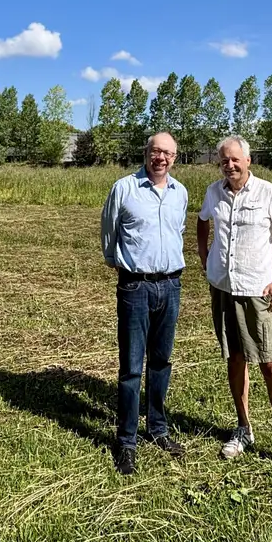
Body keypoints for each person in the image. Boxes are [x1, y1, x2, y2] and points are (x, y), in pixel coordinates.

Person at [197, 134, 272, 497]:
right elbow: (203, 224)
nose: (230, 166)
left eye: (235, 160)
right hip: (223, 288)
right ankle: (243, 428)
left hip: (257, 292)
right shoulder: (212, 193)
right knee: (235, 359)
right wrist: (205, 257)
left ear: (249, 161)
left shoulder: (269, 192)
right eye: (224, 161)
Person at [99, 131, 190, 475]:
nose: (161, 158)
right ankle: (126, 441)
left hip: (171, 285)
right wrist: (118, 262)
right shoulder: (124, 188)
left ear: (174, 158)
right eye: (156, 151)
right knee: (132, 367)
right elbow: (109, 231)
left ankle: (158, 429)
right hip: (135, 286)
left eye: (167, 153)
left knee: (162, 361)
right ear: (146, 153)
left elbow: (178, 230)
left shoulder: (180, 192)